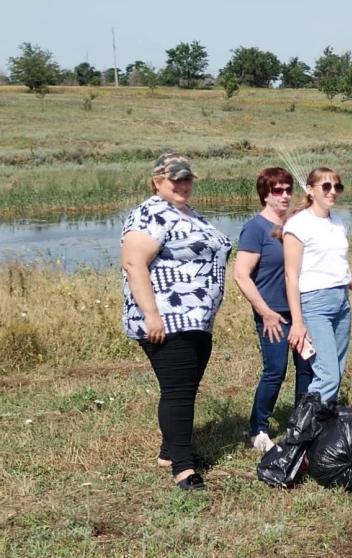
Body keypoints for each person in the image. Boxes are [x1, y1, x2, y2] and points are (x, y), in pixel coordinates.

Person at [121, 152, 232, 490]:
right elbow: (133, 263)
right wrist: (152, 315)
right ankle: (183, 469)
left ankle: (170, 452)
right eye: (175, 179)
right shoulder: (149, 213)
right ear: (157, 181)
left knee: (184, 389)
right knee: (178, 392)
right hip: (167, 320)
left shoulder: (187, 213)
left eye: (187, 178)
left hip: (196, 320)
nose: (183, 185)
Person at [233, 167, 314, 453]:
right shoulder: (255, 229)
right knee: (275, 370)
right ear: (265, 195)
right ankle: (258, 429)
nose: (284, 195)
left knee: (307, 369)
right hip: (274, 314)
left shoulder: (294, 224)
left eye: (287, 190)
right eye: (277, 190)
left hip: (300, 312)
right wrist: (265, 312)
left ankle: (302, 424)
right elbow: (241, 275)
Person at [283, 167, 352, 404]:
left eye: (337, 186)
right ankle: (300, 433)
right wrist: (298, 321)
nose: (333, 191)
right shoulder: (298, 225)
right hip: (315, 304)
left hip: (341, 301)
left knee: (338, 370)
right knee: (328, 375)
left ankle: (323, 428)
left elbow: (336, 268)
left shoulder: (338, 222)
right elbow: (291, 276)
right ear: (310, 190)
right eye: (326, 186)